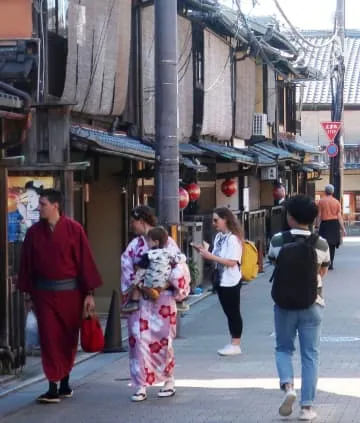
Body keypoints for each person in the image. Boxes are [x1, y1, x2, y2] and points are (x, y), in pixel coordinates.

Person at [17, 189, 103, 404]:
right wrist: (29, 295)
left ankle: (64, 381)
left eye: (43, 204)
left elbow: (85, 262)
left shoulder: (74, 229)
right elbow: (27, 265)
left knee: (67, 337)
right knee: (49, 338)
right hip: (44, 294)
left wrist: (89, 294)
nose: (39, 208)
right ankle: (52, 385)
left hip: (71, 293)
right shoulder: (34, 233)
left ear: (56, 205)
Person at [268, 195, 330, 421]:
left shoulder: (277, 240)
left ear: (290, 217)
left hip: (284, 303)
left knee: (283, 348)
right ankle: (307, 408)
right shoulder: (321, 243)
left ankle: (288, 387)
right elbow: (322, 272)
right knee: (310, 355)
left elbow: (274, 264)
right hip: (313, 303)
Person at [121, 206, 190, 402]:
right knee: (138, 341)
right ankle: (140, 384)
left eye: (133, 221)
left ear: (142, 220)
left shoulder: (167, 242)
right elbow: (126, 266)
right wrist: (140, 285)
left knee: (163, 341)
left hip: (162, 299)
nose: (131, 225)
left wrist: (164, 283)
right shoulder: (134, 246)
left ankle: (169, 380)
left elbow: (179, 267)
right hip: (141, 299)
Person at [196, 207, 243, 356]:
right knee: (229, 311)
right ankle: (233, 342)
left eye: (216, 220)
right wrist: (206, 251)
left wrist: (210, 256)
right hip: (221, 279)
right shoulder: (219, 237)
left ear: (226, 220)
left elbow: (232, 262)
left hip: (231, 279)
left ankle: (236, 343)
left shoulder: (233, 239)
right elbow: (217, 255)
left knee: (233, 312)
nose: (214, 223)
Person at [122, 225, 187, 312]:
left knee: (137, 285)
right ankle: (179, 299)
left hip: (150, 282)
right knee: (175, 276)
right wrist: (182, 257)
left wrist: (136, 282)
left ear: (156, 242)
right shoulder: (169, 253)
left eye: (149, 240)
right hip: (165, 282)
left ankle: (134, 301)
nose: (148, 243)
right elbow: (179, 259)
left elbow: (142, 269)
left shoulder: (149, 255)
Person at [315, 184, 346, 270]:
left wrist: (317, 226)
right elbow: (339, 216)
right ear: (332, 192)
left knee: (323, 244)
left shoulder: (321, 201)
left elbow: (319, 215)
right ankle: (331, 263)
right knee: (332, 245)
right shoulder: (336, 202)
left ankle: (324, 262)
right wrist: (343, 228)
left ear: (325, 191)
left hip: (325, 224)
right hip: (334, 224)